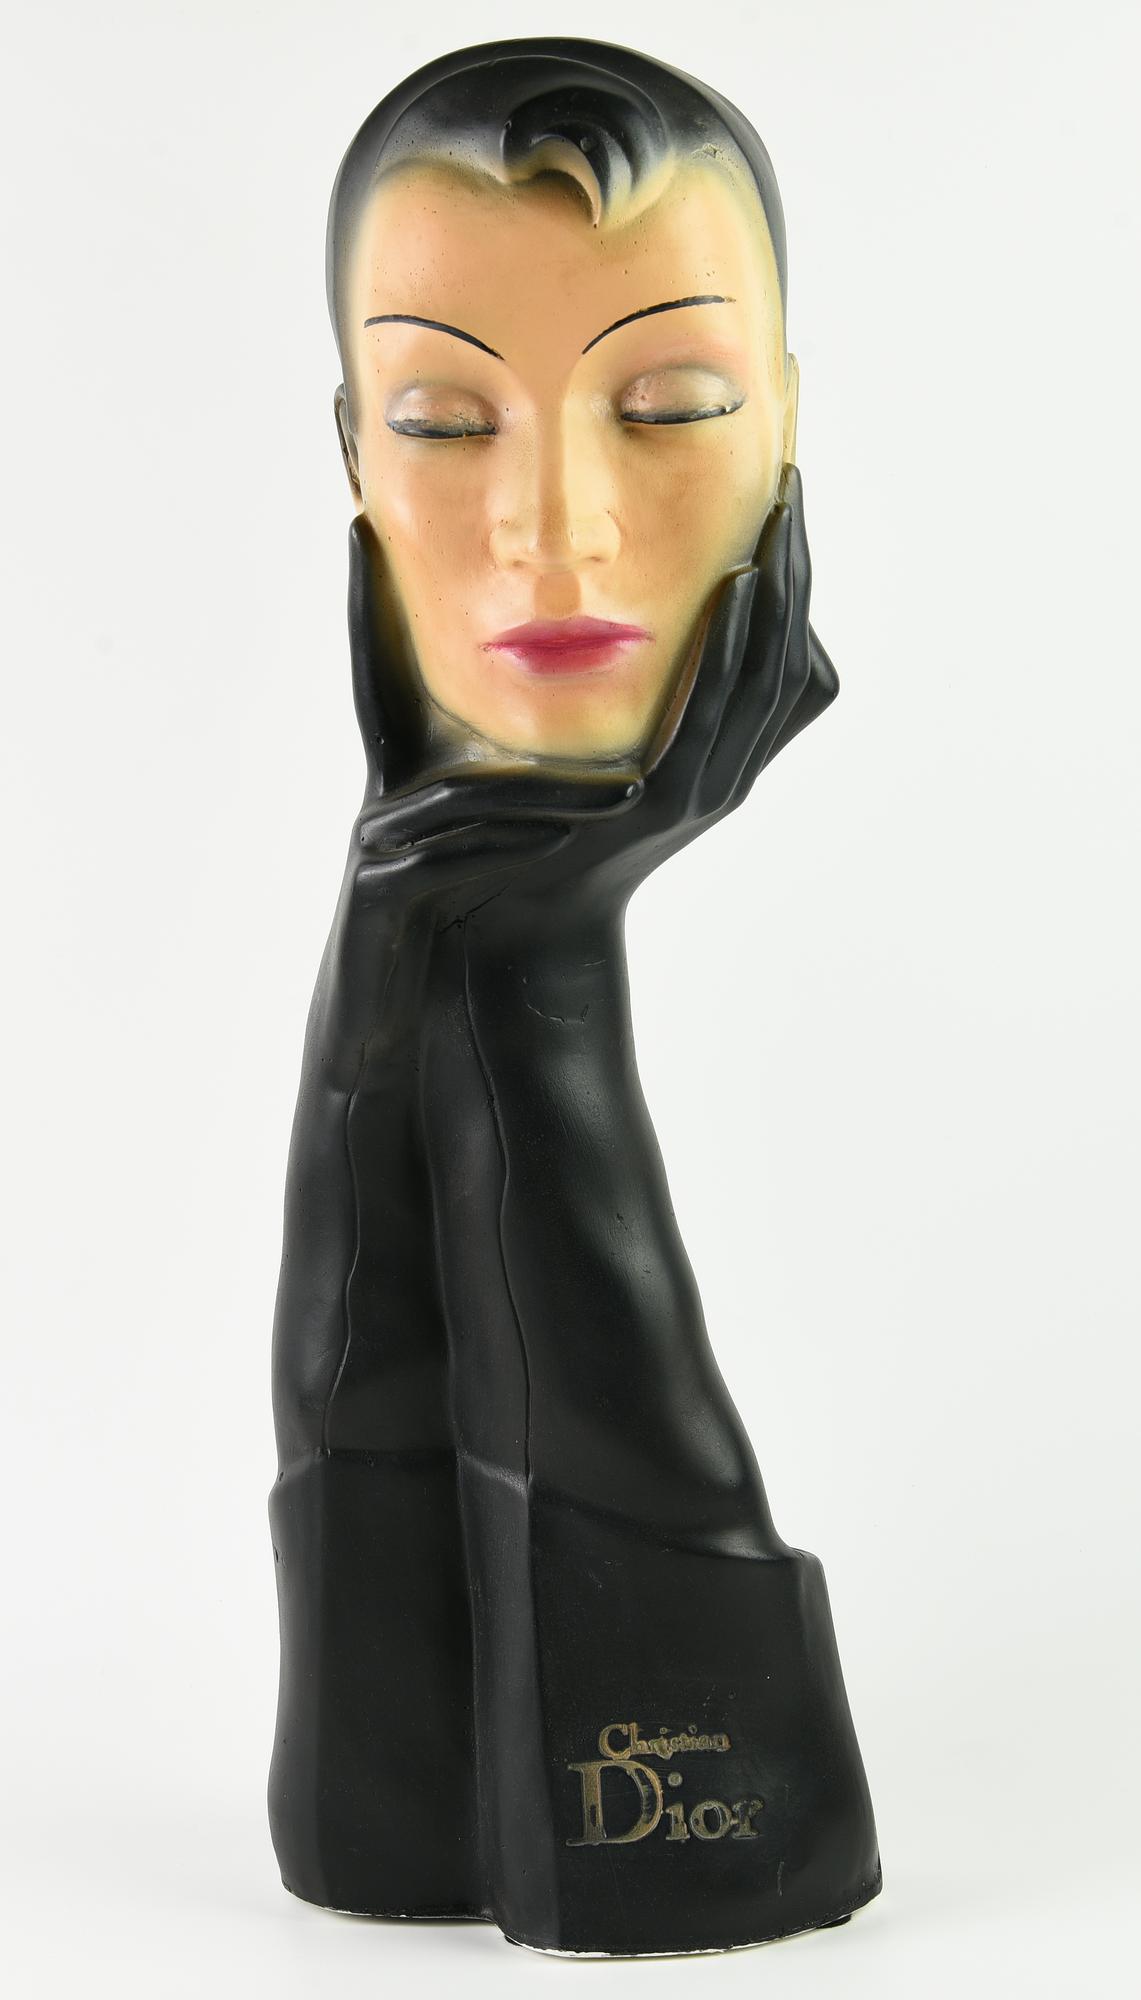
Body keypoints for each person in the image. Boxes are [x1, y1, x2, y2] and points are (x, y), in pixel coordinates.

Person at [269, 37, 879, 1955]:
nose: (559, 524)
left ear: (785, 424)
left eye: (671, 402)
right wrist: (471, 914)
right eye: (445, 422)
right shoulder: (419, 886)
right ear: (349, 450)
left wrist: (502, 924)